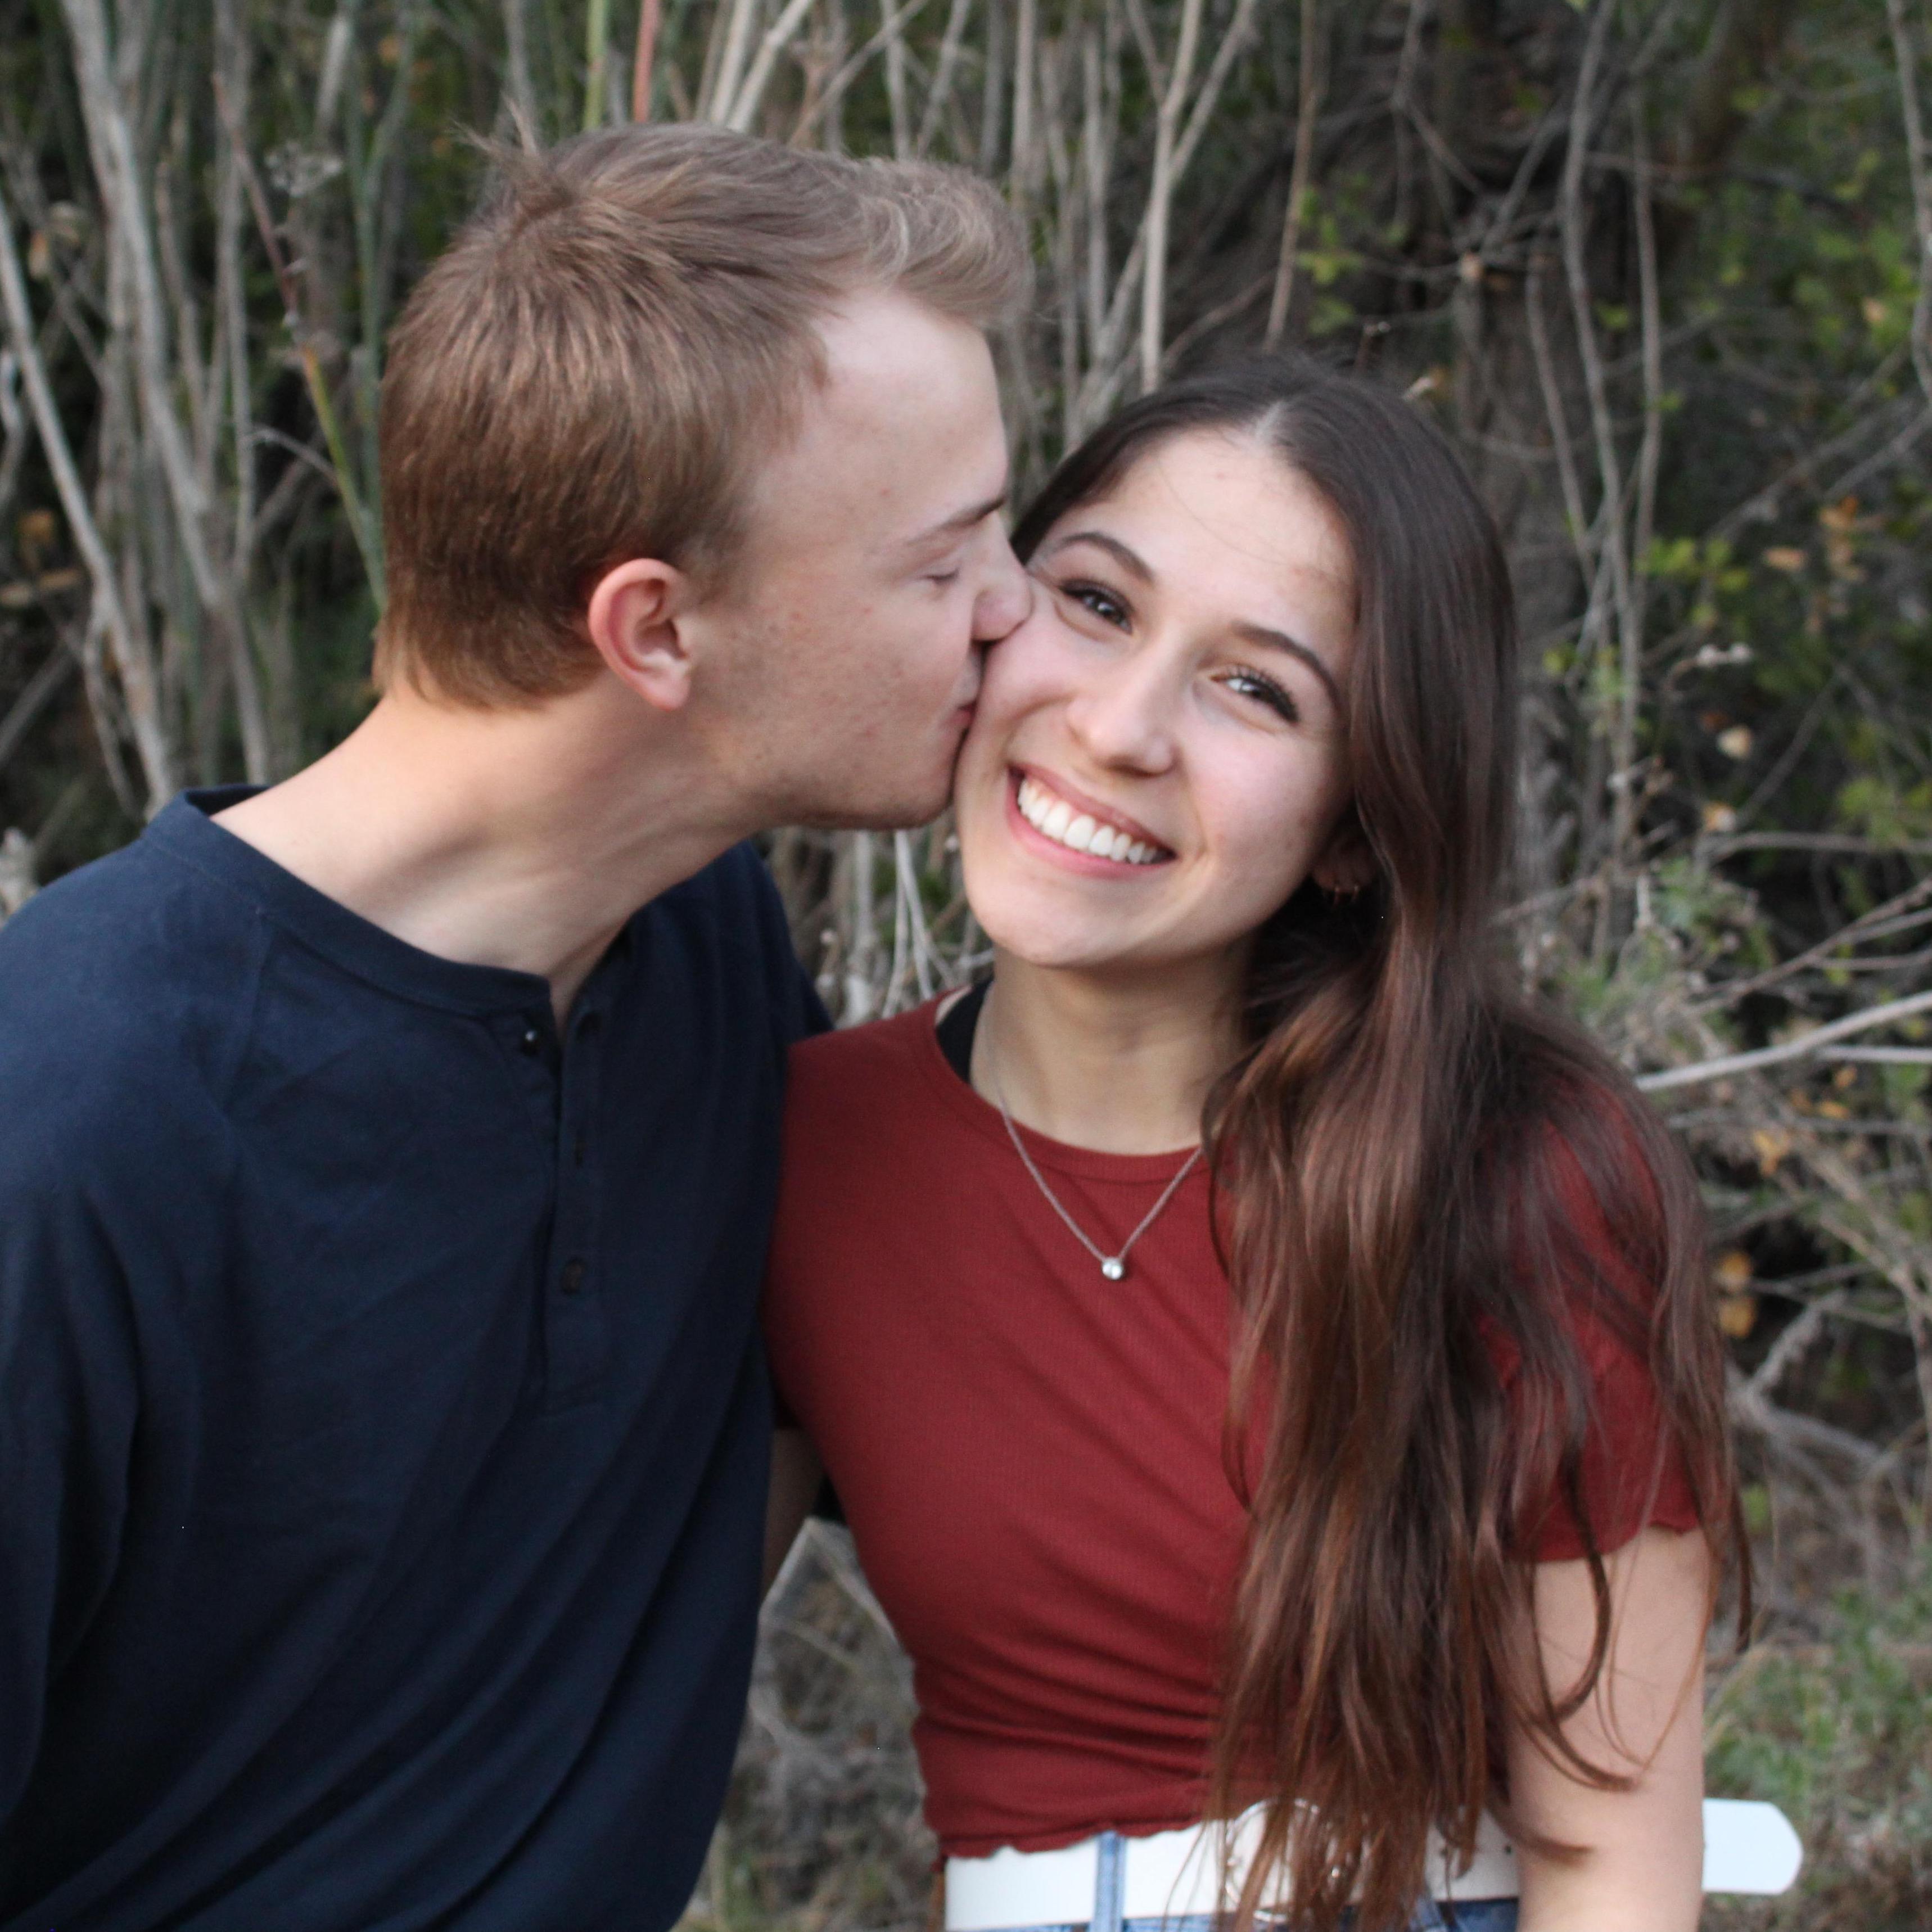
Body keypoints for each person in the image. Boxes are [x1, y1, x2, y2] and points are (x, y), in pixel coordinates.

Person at [0, 125, 1031, 1930]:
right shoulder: (71, 1122)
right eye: (945, 561)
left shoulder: (699, 951)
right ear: (654, 629)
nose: (1015, 617)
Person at [764, 359, 1744, 1932]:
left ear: (1359, 823)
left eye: (1256, 690)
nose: (1118, 726)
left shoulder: (1515, 1168)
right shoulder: (807, 1142)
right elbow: (591, 1697)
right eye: (1094, 602)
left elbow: (1613, 1860)